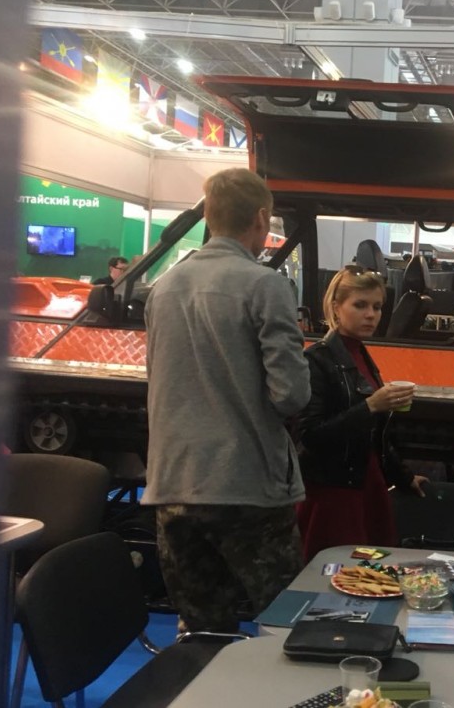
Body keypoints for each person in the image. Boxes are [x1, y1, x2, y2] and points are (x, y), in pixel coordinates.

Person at [143, 168, 311, 635]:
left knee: (201, 629)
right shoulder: (265, 285)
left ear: (210, 218)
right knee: (285, 626)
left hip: (174, 485)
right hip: (247, 486)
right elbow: (292, 395)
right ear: (260, 218)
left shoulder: (163, 288)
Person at [296, 265, 429, 561]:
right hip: (332, 492)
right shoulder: (315, 360)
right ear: (336, 307)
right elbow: (310, 435)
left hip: (364, 483)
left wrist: (403, 476)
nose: (371, 315)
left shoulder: (360, 354)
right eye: (360, 305)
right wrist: (371, 406)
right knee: (338, 573)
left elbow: (372, 437)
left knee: (368, 572)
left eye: (377, 307)